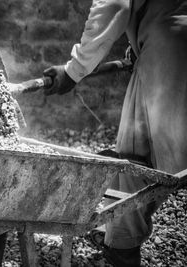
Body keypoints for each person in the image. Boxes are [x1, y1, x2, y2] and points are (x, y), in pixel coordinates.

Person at [38, 0, 187, 266]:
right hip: (169, 38)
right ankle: (118, 235)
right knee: (160, 150)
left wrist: (73, 71)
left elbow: (115, 5)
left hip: (171, 47)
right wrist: (139, 41)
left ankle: (122, 245)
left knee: (138, 154)